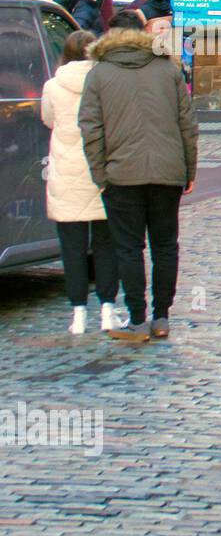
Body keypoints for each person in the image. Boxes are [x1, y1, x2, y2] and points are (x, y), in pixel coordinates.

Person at [78, 22, 198, 343]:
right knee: (165, 245)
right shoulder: (167, 69)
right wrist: (189, 169)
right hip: (167, 171)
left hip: (121, 174)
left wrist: (99, 174)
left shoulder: (99, 74)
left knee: (129, 248)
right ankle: (162, 316)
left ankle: (137, 318)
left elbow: (90, 128)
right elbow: (187, 123)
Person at [42, 30, 121, 335]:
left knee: (72, 249)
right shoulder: (106, 82)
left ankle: (77, 313)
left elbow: (48, 119)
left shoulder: (53, 86)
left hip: (66, 172)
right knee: (106, 246)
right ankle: (107, 309)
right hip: (101, 170)